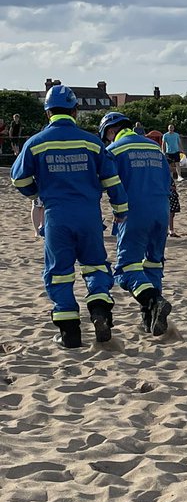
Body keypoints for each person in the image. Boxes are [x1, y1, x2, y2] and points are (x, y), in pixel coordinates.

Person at [10, 84, 128, 348]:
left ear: (47, 112)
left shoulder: (35, 143)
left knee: (59, 272)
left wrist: (37, 193)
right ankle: (99, 309)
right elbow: (112, 180)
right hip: (89, 215)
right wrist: (120, 210)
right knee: (95, 266)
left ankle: (70, 334)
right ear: (75, 111)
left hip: (56, 216)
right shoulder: (91, 141)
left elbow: (19, 179)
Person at [99, 111, 173, 336]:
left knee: (126, 268)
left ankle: (154, 301)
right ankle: (150, 320)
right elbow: (168, 181)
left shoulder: (114, 150)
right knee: (153, 264)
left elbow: (103, 183)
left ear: (111, 131)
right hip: (161, 212)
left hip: (134, 212)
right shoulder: (154, 148)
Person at [168, 161, 181, 236]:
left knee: (172, 214)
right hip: (169, 197)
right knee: (170, 214)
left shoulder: (169, 176)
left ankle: (170, 229)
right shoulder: (164, 176)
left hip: (173, 197)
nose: (174, 168)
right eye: (172, 166)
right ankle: (171, 230)